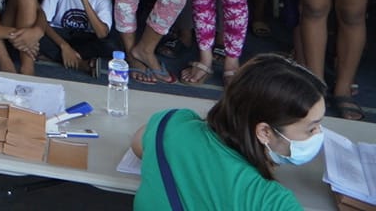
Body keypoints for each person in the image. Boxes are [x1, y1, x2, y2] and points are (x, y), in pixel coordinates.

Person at [131, 54, 325, 211]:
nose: (319, 133)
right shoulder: (272, 201)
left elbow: (139, 143)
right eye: (311, 128)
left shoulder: (169, 123)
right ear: (265, 132)